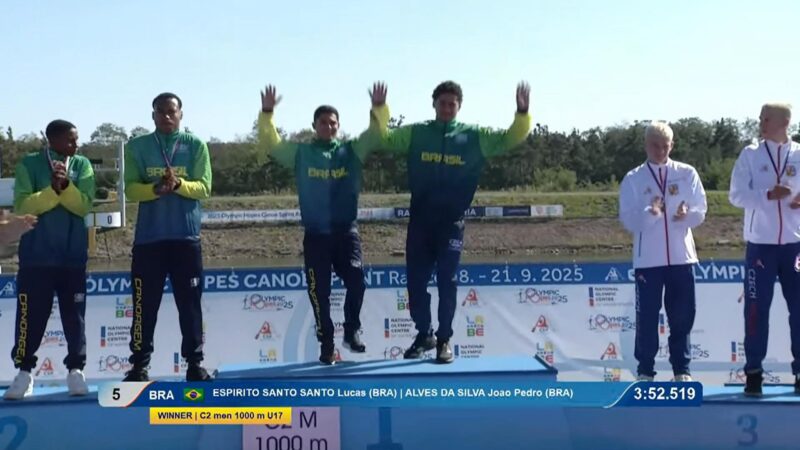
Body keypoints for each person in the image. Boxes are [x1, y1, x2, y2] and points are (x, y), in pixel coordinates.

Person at [375, 80, 531, 363]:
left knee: (448, 281)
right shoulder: (417, 133)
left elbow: (511, 138)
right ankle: (425, 334)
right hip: (420, 222)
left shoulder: (474, 136)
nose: (447, 108)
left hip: (451, 223)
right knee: (416, 283)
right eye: (442, 103)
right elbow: (385, 138)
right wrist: (380, 108)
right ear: (433, 104)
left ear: (459, 107)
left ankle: (444, 339)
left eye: (452, 104)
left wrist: (522, 113)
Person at [256, 83, 385, 365]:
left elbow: (375, 134)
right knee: (319, 293)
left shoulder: (351, 151)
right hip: (316, 235)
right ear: (314, 125)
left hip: (345, 231)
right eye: (323, 122)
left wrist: (378, 108)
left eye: (333, 122)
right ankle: (326, 343)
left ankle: (351, 331)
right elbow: (272, 143)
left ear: (339, 126)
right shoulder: (302, 153)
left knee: (357, 280)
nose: (329, 126)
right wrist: (267, 113)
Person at [122, 93, 213, 382]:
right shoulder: (137, 146)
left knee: (190, 305)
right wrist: (154, 190)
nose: (166, 116)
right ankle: (138, 366)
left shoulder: (195, 145)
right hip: (149, 241)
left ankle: (195, 364)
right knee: (143, 306)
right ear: (153, 116)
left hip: (186, 239)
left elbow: (204, 188)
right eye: (160, 112)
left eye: (171, 111)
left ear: (181, 114)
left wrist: (179, 184)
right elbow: (130, 190)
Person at [4, 120, 95, 399]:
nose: (75, 145)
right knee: (30, 318)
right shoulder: (29, 165)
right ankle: (24, 372)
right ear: (51, 139)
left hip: (72, 257)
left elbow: (83, 206)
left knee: (74, 317)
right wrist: (53, 192)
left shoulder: (82, 165)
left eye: (76, 140)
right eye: (69, 140)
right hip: (36, 258)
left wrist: (65, 187)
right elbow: (24, 205)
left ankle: (76, 371)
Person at [619, 121, 707, 382]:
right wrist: (651, 213)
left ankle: (682, 370)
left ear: (672, 145)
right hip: (649, 261)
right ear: (646, 145)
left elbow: (701, 211)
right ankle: (645, 370)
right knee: (646, 317)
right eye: (655, 146)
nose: (660, 151)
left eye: (665, 146)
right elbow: (628, 220)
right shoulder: (634, 178)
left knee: (682, 316)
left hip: (682, 257)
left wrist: (686, 215)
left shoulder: (687, 173)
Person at [729, 102, 800, 396]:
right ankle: (754, 374)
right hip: (761, 246)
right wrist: (768, 194)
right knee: (757, 311)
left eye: (765, 118)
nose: (760, 122)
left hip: (796, 246)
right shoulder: (750, 155)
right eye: (760, 118)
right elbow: (736, 195)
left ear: (783, 122)